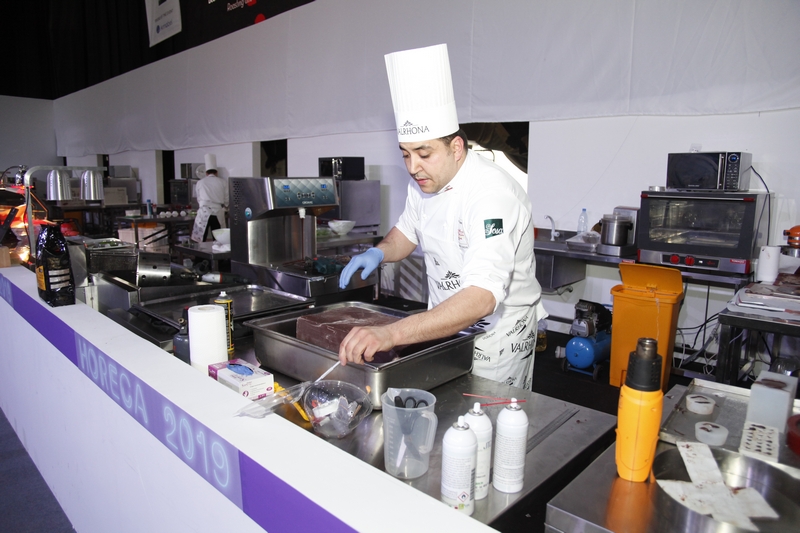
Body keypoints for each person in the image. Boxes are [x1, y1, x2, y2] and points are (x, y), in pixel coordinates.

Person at [337, 44, 546, 389]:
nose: (412, 167)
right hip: (444, 323)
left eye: (423, 153)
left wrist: (391, 333)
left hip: (497, 336)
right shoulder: (424, 181)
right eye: (405, 154)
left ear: (456, 147)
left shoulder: (491, 195)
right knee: (446, 413)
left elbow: (481, 296)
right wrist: (379, 251)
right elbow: (406, 232)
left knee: (491, 425)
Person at [191, 153, 228, 243]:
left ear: (206, 173)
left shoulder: (200, 182)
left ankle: (199, 256)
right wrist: (226, 207)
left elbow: (199, 198)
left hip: (204, 212)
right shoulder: (223, 182)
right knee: (219, 238)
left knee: (201, 238)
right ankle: (219, 256)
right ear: (216, 172)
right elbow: (227, 198)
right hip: (217, 212)